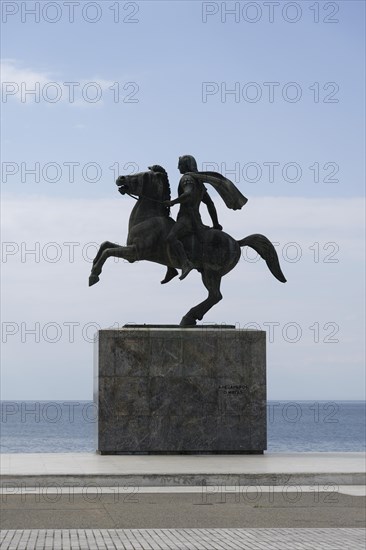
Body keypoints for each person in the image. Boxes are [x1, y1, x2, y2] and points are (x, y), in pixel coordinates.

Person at [164, 155, 223, 281]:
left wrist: (173, 202)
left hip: (187, 219)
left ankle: (186, 263)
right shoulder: (199, 183)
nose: (178, 167)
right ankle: (171, 269)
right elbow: (210, 204)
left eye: (180, 164)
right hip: (195, 219)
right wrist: (216, 223)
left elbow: (189, 193)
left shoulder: (187, 178)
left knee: (170, 238)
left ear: (185, 165)